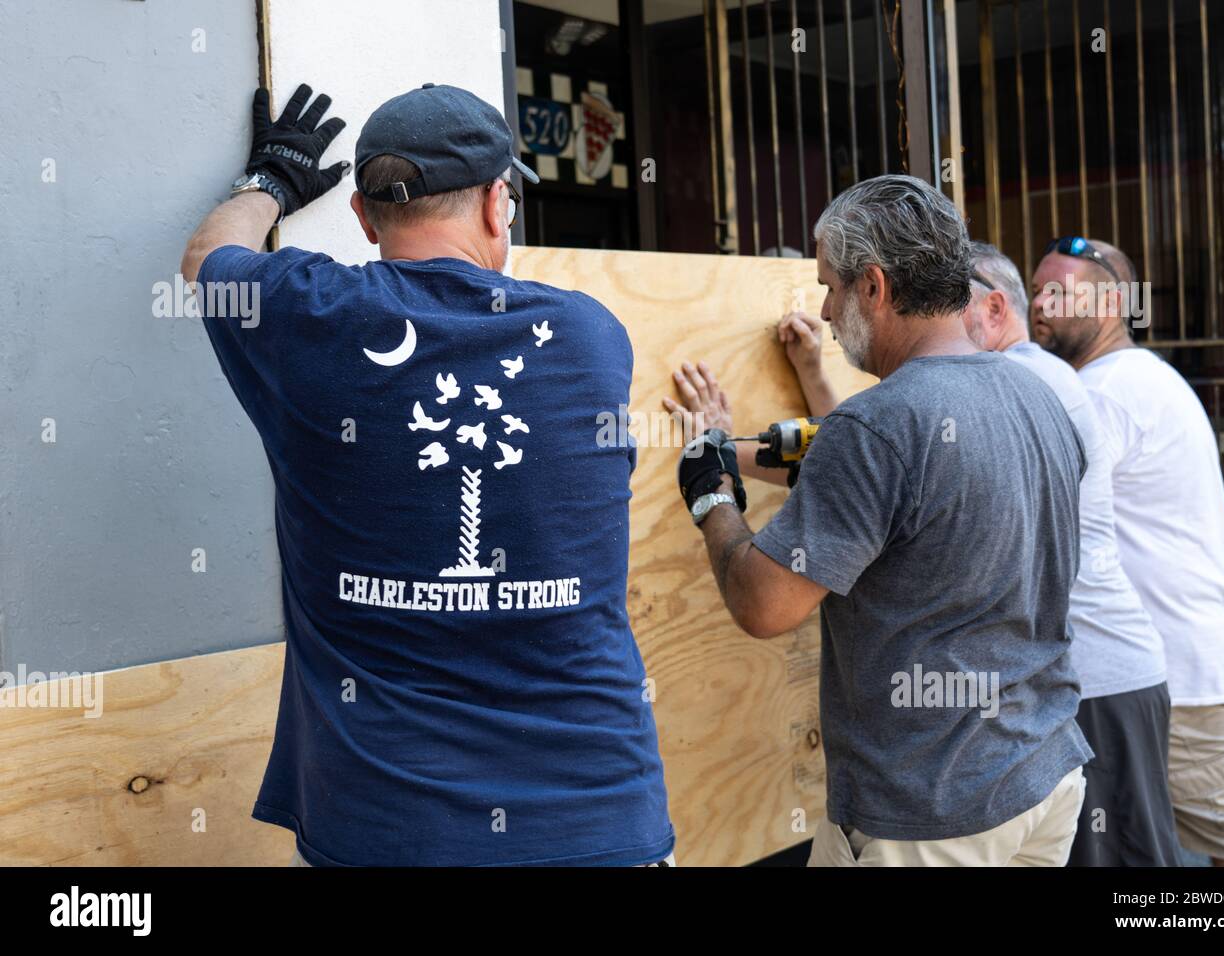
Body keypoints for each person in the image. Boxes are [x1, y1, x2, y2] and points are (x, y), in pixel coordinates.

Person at [181, 82, 674, 866]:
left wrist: (271, 181)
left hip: (384, 829)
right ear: (494, 204)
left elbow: (208, 258)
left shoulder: (310, 318)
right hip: (593, 822)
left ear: (363, 217)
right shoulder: (589, 337)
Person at [671, 175, 1093, 866]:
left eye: (830, 287)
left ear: (874, 286)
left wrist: (710, 493)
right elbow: (895, 496)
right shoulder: (1036, 393)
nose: (827, 310)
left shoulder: (880, 424)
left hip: (930, 813)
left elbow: (763, 602)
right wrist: (730, 446)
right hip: (1042, 776)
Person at [1030, 236, 1224, 867]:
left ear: (1113, 302)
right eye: (1037, 289)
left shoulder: (1105, 392)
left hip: (1167, 667)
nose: (1041, 303)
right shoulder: (1139, 377)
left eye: (1060, 292)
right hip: (1170, 663)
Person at [963, 241, 1178, 866]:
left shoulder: (1022, 380)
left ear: (996, 310)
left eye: (949, 311)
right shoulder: (1037, 374)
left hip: (1099, 678)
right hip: (1088, 678)